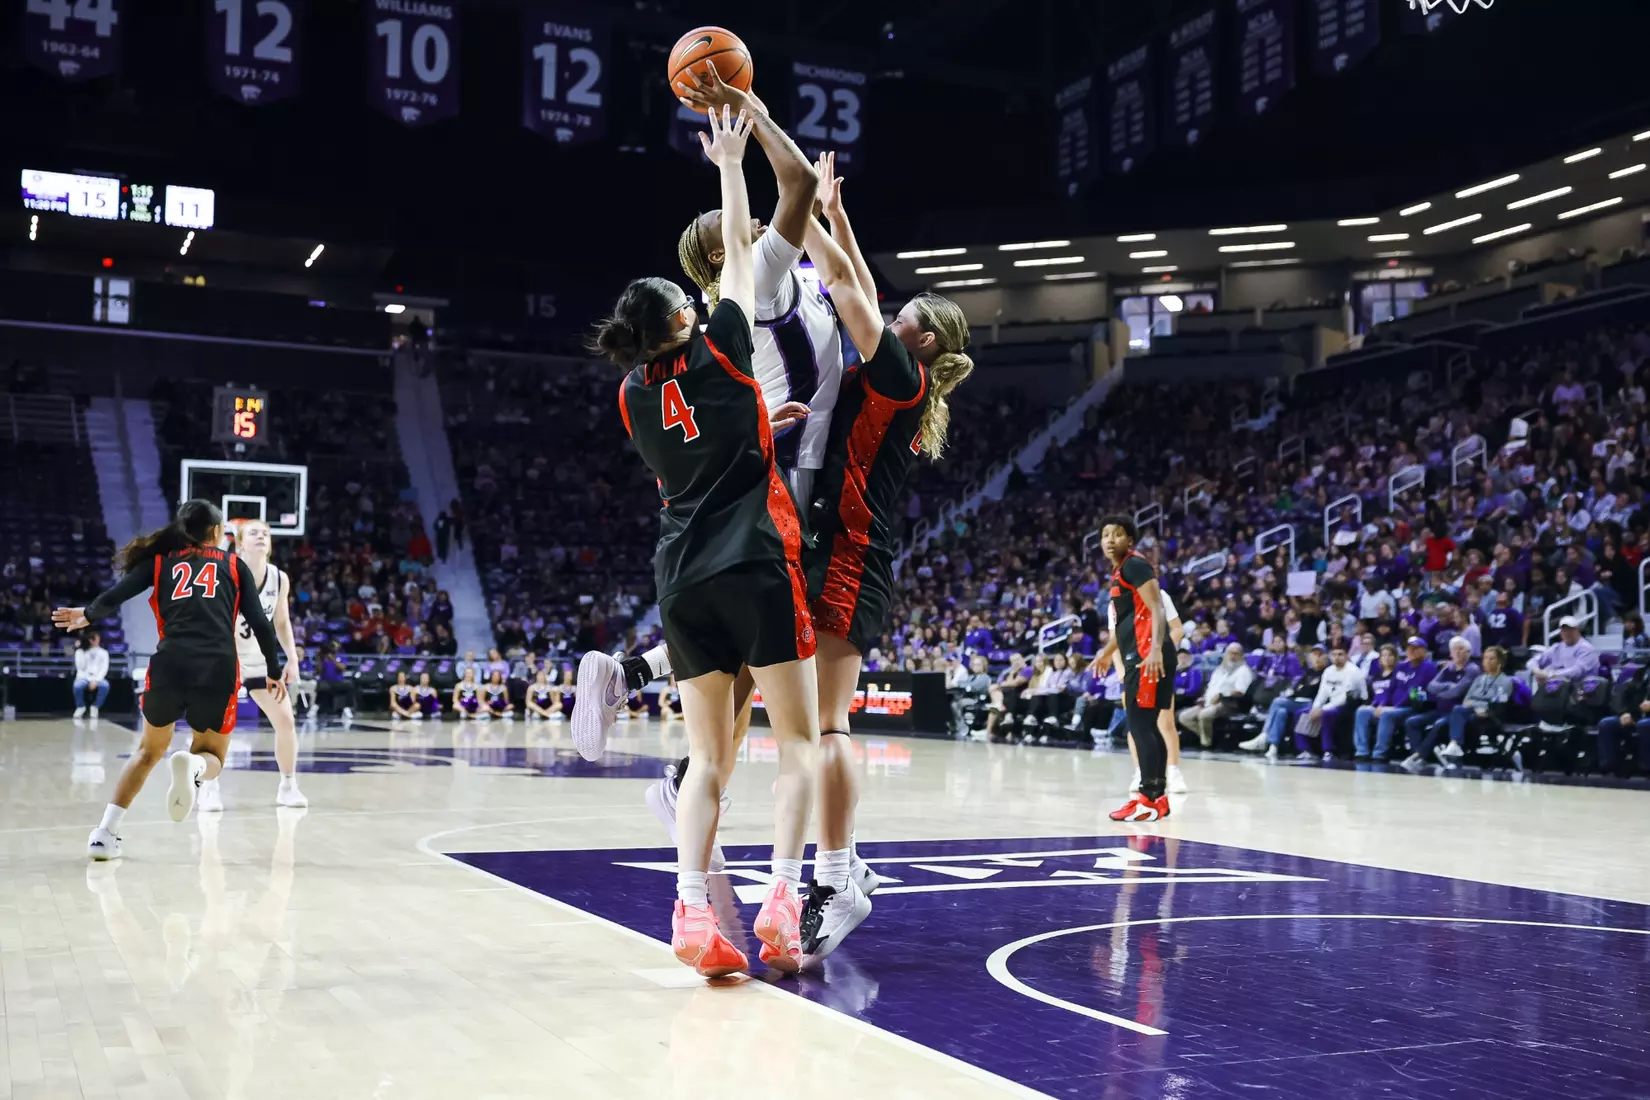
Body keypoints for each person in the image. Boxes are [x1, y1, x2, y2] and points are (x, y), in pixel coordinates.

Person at [591, 101, 819, 979]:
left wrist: (761, 423)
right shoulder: (724, 340)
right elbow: (730, 253)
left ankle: (690, 912)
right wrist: (729, 159)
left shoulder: (630, 396)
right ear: (685, 319)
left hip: (680, 574)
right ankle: (781, 906)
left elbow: (702, 437)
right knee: (797, 748)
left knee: (708, 764)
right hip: (755, 556)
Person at [55, 500, 285, 860]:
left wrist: (88, 614)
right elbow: (260, 623)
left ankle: (104, 833)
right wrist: (274, 669)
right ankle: (193, 766)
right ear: (215, 532)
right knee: (211, 756)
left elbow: (118, 594)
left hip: (169, 664)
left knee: (147, 752)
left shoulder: (160, 562)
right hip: (217, 668)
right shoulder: (235, 566)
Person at [206, 519, 306, 811]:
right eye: (254, 533)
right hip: (228, 658)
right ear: (239, 542)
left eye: (266, 533)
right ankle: (210, 787)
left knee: (286, 722)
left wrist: (292, 657)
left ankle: (288, 785)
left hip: (262, 662)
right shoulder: (225, 572)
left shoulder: (279, 578)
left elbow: (282, 621)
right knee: (216, 725)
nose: (261, 536)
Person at [1097, 518, 1173, 821]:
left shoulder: (1134, 565)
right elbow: (1126, 623)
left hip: (1146, 655)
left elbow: (1157, 608)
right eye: (1105, 535)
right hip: (1139, 652)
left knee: (1141, 726)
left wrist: (1154, 648)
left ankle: (1149, 799)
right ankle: (1156, 797)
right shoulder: (1121, 571)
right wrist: (1106, 653)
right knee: (1146, 726)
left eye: (1117, 534)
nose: (1109, 540)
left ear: (1130, 540)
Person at [1099, 584, 1190, 794]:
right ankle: (1141, 771)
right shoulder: (1115, 602)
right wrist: (1121, 670)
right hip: (1132, 669)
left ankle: (1173, 772)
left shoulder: (1160, 595)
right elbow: (1116, 640)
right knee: (1135, 724)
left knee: (1165, 722)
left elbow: (1178, 629)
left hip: (1158, 665)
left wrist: (1159, 648)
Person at [1408, 645, 1515, 768]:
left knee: (1454, 714)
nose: (1487, 661)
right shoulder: (1479, 679)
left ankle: (1424, 755)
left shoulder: (1506, 681)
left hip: (1491, 716)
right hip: (1471, 714)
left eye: (1492, 659)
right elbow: (1466, 701)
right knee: (1442, 724)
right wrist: (1477, 705)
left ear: (1500, 662)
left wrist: (1476, 704)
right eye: (1485, 658)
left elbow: (1498, 702)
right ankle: (1444, 755)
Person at [1353, 636, 1437, 760]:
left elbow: (1413, 693)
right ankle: (1362, 752)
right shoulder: (1401, 666)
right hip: (1392, 706)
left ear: (1423, 651)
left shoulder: (1428, 667)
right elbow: (1390, 689)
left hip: (1412, 707)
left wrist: (1391, 707)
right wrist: (1380, 704)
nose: (1412, 651)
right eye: (1410, 648)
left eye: (1416, 648)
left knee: (1387, 714)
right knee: (1362, 711)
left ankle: (1380, 753)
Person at [1399, 636, 1480, 763]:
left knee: (1438, 724)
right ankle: (1416, 755)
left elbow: (1457, 691)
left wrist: (1439, 693)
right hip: (1432, 707)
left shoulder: (1470, 669)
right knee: (1411, 722)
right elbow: (1431, 687)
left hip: (1454, 712)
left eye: (1460, 649)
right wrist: (1447, 687)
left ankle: (1419, 757)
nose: (1457, 652)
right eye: (1454, 649)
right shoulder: (1447, 668)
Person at [1240, 646, 1327, 757]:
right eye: (1314, 655)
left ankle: (1264, 735)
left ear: (1325, 657)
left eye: (1320, 655)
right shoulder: (1308, 672)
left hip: (1312, 703)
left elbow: (1311, 692)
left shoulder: (1325, 672)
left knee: (1277, 701)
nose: (1317, 658)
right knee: (1281, 711)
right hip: (1298, 701)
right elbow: (1297, 690)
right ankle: (1273, 747)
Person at [1298, 642, 1368, 760]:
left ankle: (1328, 751)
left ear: (1346, 656)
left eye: (1340, 654)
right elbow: (1322, 693)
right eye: (1334, 654)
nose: (1337, 657)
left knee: (1326, 714)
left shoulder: (1353, 672)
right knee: (1302, 713)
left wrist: (1323, 708)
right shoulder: (1328, 671)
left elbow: (1346, 698)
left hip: (1351, 704)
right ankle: (1305, 749)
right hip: (1332, 704)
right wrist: (1316, 707)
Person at [1178, 643, 1253, 748]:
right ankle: (1212, 738)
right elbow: (1210, 687)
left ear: (1241, 656)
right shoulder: (1220, 669)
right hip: (1209, 702)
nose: (1233, 656)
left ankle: (1206, 744)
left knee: (1204, 715)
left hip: (1228, 703)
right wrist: (1203, 698)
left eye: (1236, 654)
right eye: (1230, 653)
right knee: (1184, 717)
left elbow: (1240, 692)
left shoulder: (1243, 671)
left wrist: (1222, 695)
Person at [1529, 615, 1599, 687]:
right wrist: (1537, 671)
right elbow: (1532, 662)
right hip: (1559, 689)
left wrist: (1550, 675)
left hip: (1581, 689)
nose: (1567, 633)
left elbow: (1576, 672)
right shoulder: (1557, 648)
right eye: (1564, 630)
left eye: (1570, 629)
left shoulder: (1587, 649)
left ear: (1577, 630)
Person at [72, 630, 110, 718]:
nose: (97, 641)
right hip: (83, 677)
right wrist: (80, 650)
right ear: (90, 640)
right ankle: (80, 706)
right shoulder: (80, 652)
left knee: (105, 685)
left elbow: (104, 668)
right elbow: (80, 667)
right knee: (77, 686)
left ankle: (95, 706)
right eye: (95, 639)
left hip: (97, 678)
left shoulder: (103, 653)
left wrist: (96, 680)